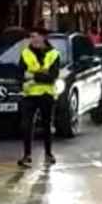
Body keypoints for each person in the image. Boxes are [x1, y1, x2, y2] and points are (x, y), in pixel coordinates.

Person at [18, 27, 61, 167]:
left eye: (36, 37)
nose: (34, 40)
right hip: (29, 95)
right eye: (31, 37)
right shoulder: (25, 53)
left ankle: (48, 154)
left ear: (43, 38)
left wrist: (33, 75)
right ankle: (27, 155)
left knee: (47, 125)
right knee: (26, 125)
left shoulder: (54, 54)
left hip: (46, 94)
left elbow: (52, 77)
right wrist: (42, 74)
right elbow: (20, 74)